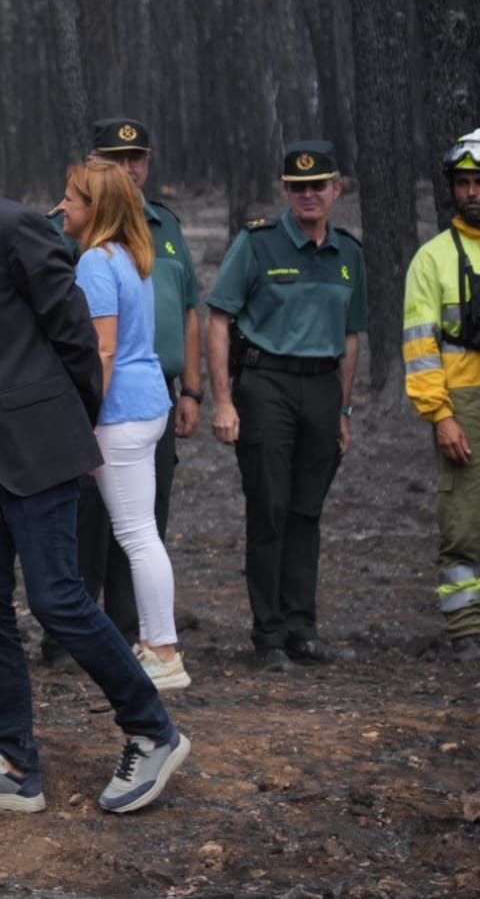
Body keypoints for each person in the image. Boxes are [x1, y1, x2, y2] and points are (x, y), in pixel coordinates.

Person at [0, 105, 189, 816]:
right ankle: (11, 761)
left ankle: (153, 731)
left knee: (60, 599)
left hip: (36, 452)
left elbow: (75, 338)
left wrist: (58, 426)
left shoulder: (15, 226)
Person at [45, 117, 203, 666]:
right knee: (140, 533)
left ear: (96, 209)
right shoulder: (131, 253)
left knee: (136, 537)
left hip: (121, 413)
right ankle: (153, 644)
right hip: (148, 405)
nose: (62, 207)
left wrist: (85, 420)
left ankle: (160, 649)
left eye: (70, 199)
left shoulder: (94, 261)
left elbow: (103, 350)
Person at [207, 140, 366, 672]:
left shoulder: (349, 254)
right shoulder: (257, 245)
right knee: (270, 507)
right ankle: (269, 636)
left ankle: (303, 627)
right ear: (285, 191)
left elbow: (350, 339)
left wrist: (343, 411)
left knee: (307, 510)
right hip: (266, 384)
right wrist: (224, 400)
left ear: (336, 190)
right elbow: (219, 319)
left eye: (317, 186)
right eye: (297, 187)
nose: (308, 195)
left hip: (322, 389)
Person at [404, 129, 480, 662]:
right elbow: (420, 344)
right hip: (462, 403)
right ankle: (467, 630)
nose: (471, 192)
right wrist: (441, 416)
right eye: (463, 183)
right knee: (464, 522)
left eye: (479, 183)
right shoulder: (432, 259)